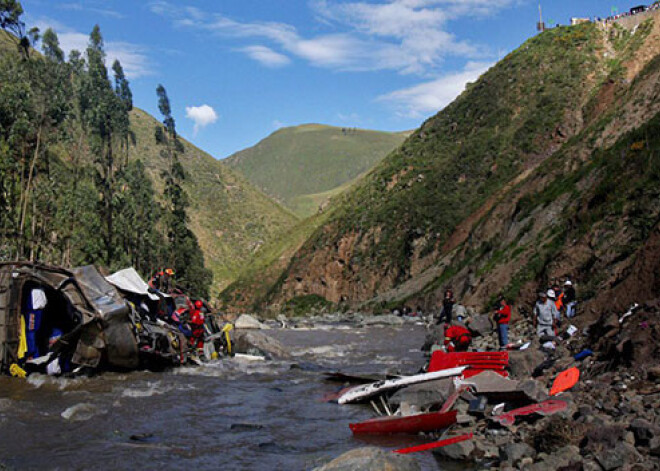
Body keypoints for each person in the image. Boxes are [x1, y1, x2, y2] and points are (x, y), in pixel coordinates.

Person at [25, 286, 47, 359]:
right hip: (36, 309)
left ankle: (31, 353)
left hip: (33, 310)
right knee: (33, 332)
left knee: (31, 331)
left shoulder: (36, 290)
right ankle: (33, 353)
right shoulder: (40, 289)